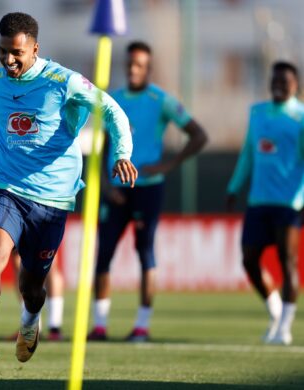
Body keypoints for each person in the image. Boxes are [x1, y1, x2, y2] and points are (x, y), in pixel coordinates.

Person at [0, 12, 137, 363]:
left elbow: (113, 112)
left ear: (35, 48)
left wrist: (122, 154)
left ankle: (31, 320)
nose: (8, 60)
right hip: (6, 186)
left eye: (16, 52)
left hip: (52, 198)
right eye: (2, 51)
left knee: (32, 286)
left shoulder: (64, 81)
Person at [88, 41, 207, 342]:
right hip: (116, 192)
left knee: (145, 253)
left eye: (139, 64)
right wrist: (104, 185)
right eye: (129, 63)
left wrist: (170, 164)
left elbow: (198, 135)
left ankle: (142, 326)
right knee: (103, 255)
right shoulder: (111, 100)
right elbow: (100, 147)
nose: (133, 69)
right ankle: (100, 326)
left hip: (148, 189)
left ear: (149, 68)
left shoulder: (162, 100)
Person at [226, 61, 303, 345]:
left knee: (289, 263)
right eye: (275, 80)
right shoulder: (257, 113)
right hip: (258, 201)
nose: (279, 85)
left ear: (296, 85)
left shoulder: (301, 118)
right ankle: (276, 310)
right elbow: (248, 152)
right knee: (249, 260)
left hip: (290, 203)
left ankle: (284, 328)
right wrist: (234, 187)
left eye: (285, 81)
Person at [0, 111, 65, 341]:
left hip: (43, 193)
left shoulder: (48, 106)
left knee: (48, 265)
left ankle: (55, 325)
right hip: (9, 190)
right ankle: (30, 324)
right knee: (17, 261)